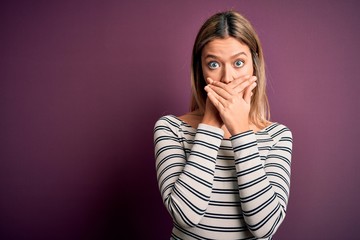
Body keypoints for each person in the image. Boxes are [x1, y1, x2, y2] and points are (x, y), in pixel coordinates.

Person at [154, 10, 293, 240]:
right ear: (200, 70)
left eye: (239, 62)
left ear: (254, 66)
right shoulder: (171, 129)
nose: (227, 78)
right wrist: (210, 126)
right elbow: (185, 216)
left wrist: (241, 131)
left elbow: (264, 227)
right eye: (214, 64)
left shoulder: (277, 136)